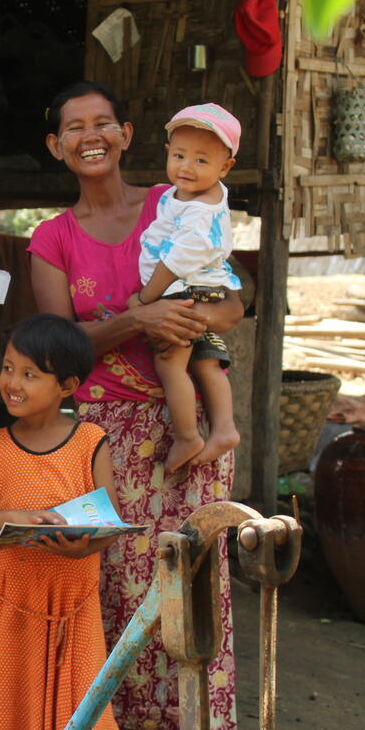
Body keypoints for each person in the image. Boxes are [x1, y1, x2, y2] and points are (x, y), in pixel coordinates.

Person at [27, 81, 244, 730]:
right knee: (115, 588)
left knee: (192, 587)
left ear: (126, 135)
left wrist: (199, 316)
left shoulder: (175, 203)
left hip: (186, 430)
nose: (89, 135)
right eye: (73, 126)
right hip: (103, 437)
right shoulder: (53, 238)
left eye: (103, 123)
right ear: (56, 146)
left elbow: (235, 298)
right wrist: (141, 318)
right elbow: (59, 347)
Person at [0, 313, 120, 730]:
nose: (12, 383)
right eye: (8, 368)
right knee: (12, 707)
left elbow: (110, 525)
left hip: (73, 602)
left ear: (67, 386)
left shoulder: (90, 441)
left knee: (79, 712)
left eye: (30, 374)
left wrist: (84, 546)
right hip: (13, 603)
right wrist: (13, 517)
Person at [127, 103, 243, 473]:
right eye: (179, 155)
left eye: (201, 160)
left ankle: (187, 436)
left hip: (181, 290)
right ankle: (224, 428)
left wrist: (145, 299)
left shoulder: (200, 212)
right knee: (206, 360)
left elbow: (175, 262)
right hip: (202, 289)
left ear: (225, 168)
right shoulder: (186, 197)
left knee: (169, 362)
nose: (186, 167)